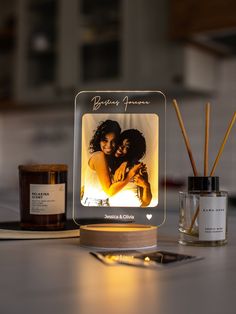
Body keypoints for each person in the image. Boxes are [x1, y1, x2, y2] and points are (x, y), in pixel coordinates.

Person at [81, 120, 142, 206]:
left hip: (105, 203)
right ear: (99, 140)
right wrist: (129, 175)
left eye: (113, 141)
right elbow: (109, 191)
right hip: (94, 203)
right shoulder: (99, 155)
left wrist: (125, 163)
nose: (109, 146)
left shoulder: (109, 158)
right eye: (105, 140)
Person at [109, 129, 152, 207]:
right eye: (120, 142)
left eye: (127, 146)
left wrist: (146, 186)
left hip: (133, 210)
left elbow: (146, 202)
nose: (120, 147)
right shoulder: (107, 159)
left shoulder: (137, 168)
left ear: (133, 151)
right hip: (112, 212)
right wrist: (124, 164)